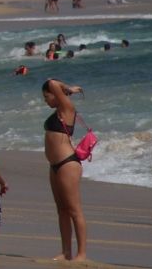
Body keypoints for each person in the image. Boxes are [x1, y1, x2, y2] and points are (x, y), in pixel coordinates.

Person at [42, 79, 87, 261]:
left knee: (74, 210)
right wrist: (65, 91)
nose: (45, 101)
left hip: (67, 163)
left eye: (46, 97)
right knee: (61, 210)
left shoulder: (66, 109)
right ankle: (66, 251)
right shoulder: (58, 111)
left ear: (56, 95)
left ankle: (82, 253)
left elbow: (51, 82)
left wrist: (67, 89)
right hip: (55, 166)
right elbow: (52, 86)